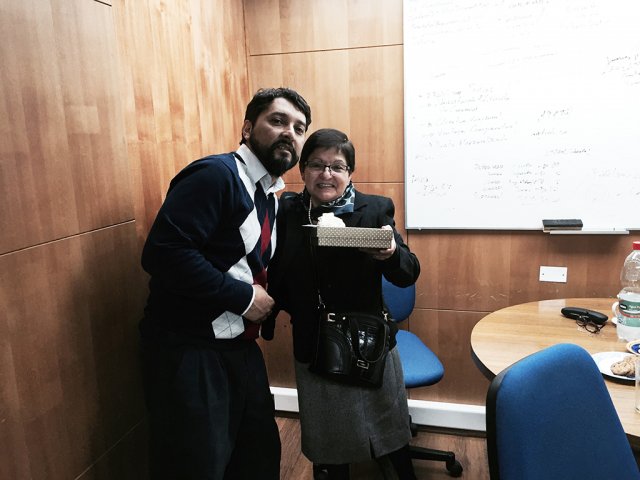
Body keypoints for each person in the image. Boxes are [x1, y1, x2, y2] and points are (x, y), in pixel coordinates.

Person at [139, 87, 312, 480]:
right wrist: (244, 297)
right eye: (278, 120)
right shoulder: (216, 175)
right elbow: (163, 253)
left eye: (299, 128)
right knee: (196, 465)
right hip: (189, 349)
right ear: (247, 128)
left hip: (239, 348)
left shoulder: (270, 194)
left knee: (257, 459)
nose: (289, 133)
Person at [266, 128, 420, 480]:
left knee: (389, 435)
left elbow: (408, 273)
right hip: (315, 342)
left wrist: (391, 254)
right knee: (329, 441)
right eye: (316, 165)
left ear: (350, 172)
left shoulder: (374, 209)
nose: (326, 174)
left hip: (369, 342)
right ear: (303, 170)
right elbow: (277, 270)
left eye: (337, 166)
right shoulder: (287, 211)